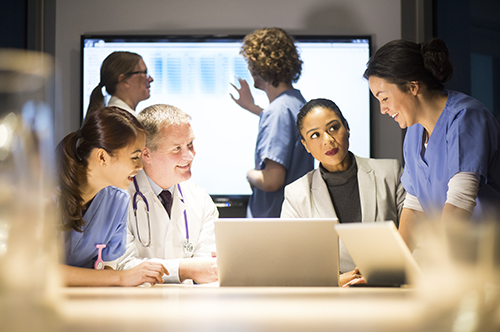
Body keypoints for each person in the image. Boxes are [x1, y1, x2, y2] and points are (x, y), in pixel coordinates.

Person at [364, 38, 500, 251]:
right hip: (458, 258)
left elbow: (459, 204)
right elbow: (415, 206)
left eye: (384, 98)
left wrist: (434, 264)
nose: (383, 109)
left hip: (489, 259)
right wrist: (395, 263)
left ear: (412, 87)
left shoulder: (465, 117)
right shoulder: (414, 132)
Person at [281, 98, 405, 284]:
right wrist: (334, 281)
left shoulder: (390, 173)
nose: (328, 140)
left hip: (389, 289)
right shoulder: (296, 194)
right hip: (331, 300)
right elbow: (290, 264)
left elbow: (418, 241)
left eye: (333, 128)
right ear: (305, 145)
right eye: (314, 135)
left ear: (346, 127)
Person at [57, 106, 167, 287]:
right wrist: (121, 277)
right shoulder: (46, 197)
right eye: (134, 157)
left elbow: (104, 267)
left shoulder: (117, 202)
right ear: (102, 157)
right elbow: (38, 269)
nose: (140, 166)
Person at [117, 104, 218, 284]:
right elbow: (122, 266)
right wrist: (183, 269)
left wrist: (195, 270)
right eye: (177, 148)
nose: (190, 155)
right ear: (146, 154)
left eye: (190, 144)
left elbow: (208, 269)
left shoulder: (200, 199)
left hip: (188, 306)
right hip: (136, 306)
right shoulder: (119, 198)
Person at [230, 27, 314, 218]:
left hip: (274, 223)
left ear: (258, 68)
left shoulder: (277, 111)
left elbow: (271, 181)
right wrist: (254, 108)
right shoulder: (297, 103)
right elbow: (286, 127)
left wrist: (249, 174)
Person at [86, 51, 153, 115]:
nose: (151, 79)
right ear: (124, 80)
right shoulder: (124, 122)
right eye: (145, 73)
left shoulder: (112, 115)